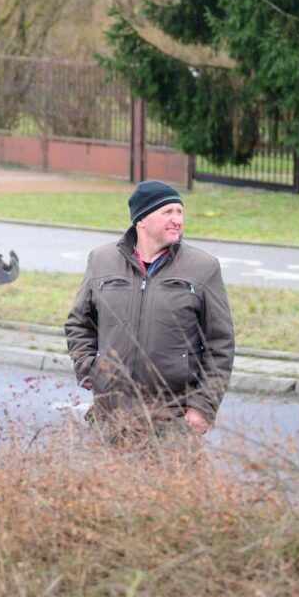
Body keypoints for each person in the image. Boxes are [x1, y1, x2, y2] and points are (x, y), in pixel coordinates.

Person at [64, 179, 235, 442]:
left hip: (173, 420)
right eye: (167, 212)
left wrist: (203, 407)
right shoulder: (101, 260)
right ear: (141, 220)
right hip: (110, 416)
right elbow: (79, 323)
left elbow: (220, 344)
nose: (176, 219)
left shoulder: (203, 268)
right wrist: (90, 370)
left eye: (179, 212)